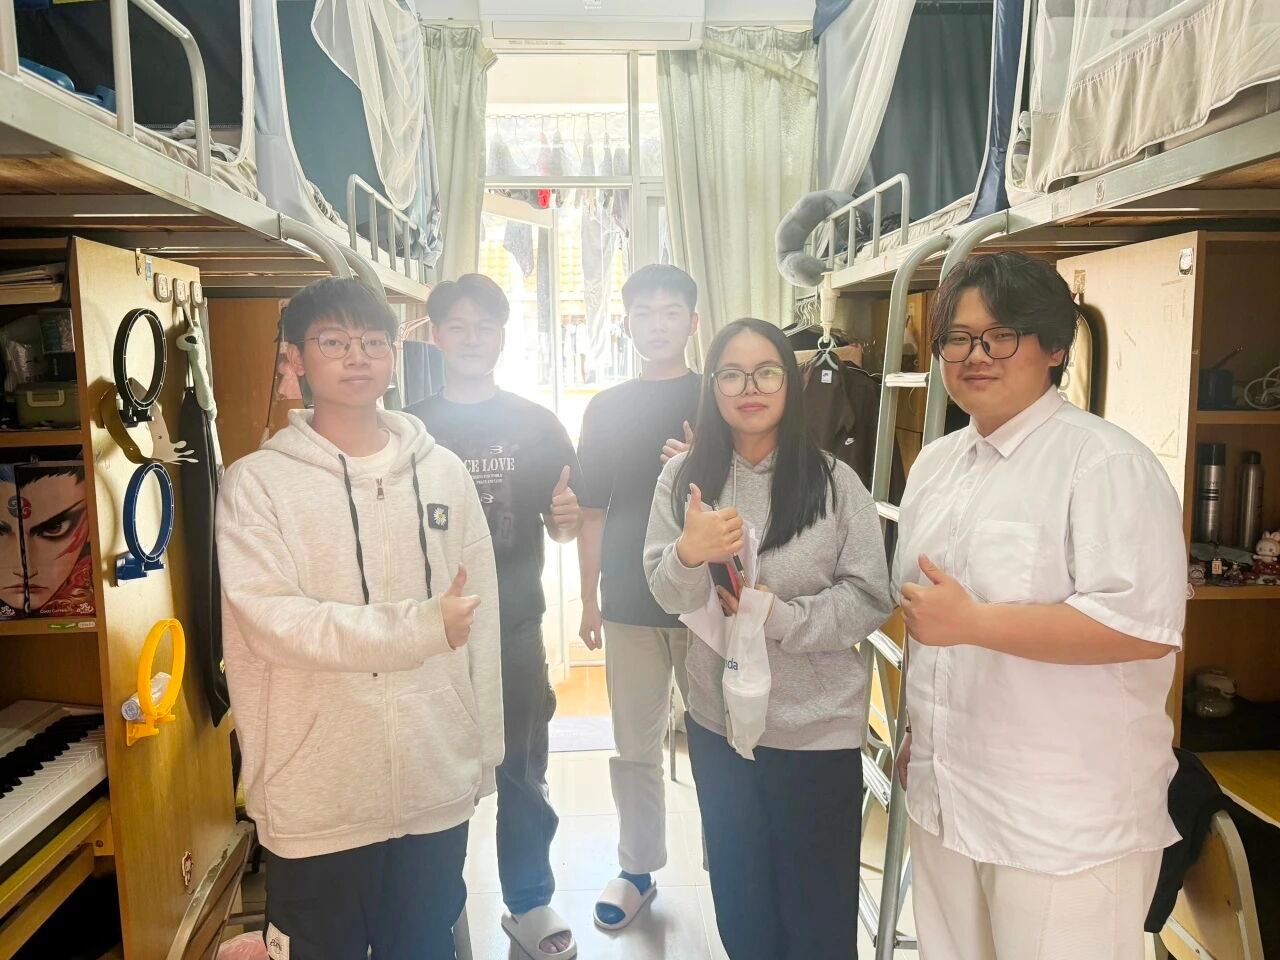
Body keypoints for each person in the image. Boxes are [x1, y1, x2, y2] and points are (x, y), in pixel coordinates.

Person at [894, 252, 1186, 960]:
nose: (976, 356)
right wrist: (920, 738)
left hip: (1062, 819)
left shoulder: (1106, 464)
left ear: (1054, 347)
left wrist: (976, 624)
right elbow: (929, 625)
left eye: (1002, 336)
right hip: (946, 794)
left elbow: (1141, 627)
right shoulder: (935, 465)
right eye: (958, 338)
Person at [217, 277, 503, 960]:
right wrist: (418, 628)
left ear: (394, 357)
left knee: (425, 945)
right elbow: (275, 623)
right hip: (317, 797)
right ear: (295, 359)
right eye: (334, 341)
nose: (357, 356)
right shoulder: (257, 484)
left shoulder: (444, 473)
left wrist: (482, 755)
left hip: (435, 779)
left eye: (374, 342)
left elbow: (482, 621)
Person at [643, 317, 892, 959]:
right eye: (731, 374)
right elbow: (666, 593)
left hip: (817, 732)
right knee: (743, 908)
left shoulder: (835, 482)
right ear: (712, 386)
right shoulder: (683, 482)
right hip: (720, 728)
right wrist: (688, 553)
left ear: (791, 383)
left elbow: (870, 598)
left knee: (817, 920)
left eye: (766, 372)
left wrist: (776, 616)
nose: (749, 388)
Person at [405, 274, 582, 960]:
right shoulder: (409, 426)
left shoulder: (537, 424)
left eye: (485, 326)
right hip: (429, 630)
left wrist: (565, 520)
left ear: (503, 337)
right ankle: (437, 905)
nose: (472, 337)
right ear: (437, 335)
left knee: (522, 770)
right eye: (458, 325)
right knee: (433, 772)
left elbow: (560, 523)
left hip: (514, 626)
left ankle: (529, 901)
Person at [576, 263, 702, 930]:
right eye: (645, 313)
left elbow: (754, 493)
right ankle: (636, 869)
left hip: (707, 600)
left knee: (722, 739)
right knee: (635, 744)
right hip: (626, 594)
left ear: (693, 322)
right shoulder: (606, 407)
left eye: (671, 311)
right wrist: (587, 599)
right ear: (627, 323)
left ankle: (729, 860)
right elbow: (593, 510)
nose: (658, 324)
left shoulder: (718, 396)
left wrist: (706, 461)